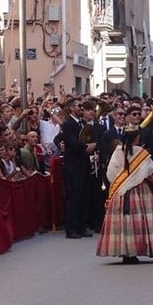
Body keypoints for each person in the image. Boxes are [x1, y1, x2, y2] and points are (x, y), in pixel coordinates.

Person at [96, 125, 153, 263]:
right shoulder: (141, 152)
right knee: (138, 220)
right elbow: (148, 174)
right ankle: (137, 248)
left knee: (123, 221)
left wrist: (122, 182)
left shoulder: (118, 151)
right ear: (137, 137)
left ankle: (124, 251)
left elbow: (110, 174)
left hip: (121, 192)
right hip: (139, 192)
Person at [59, 98, 96, 239]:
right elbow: (74, 143)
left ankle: (81, 226)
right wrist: (88, 147)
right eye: (79, 106)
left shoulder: (82, 123)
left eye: (83, 106)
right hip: (73, 166)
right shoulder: (68, 124)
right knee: (74, 197)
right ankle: (72, 228)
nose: (82, 108)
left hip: (84, 165)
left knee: (83, 196)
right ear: (71, 108)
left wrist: (92, 145)